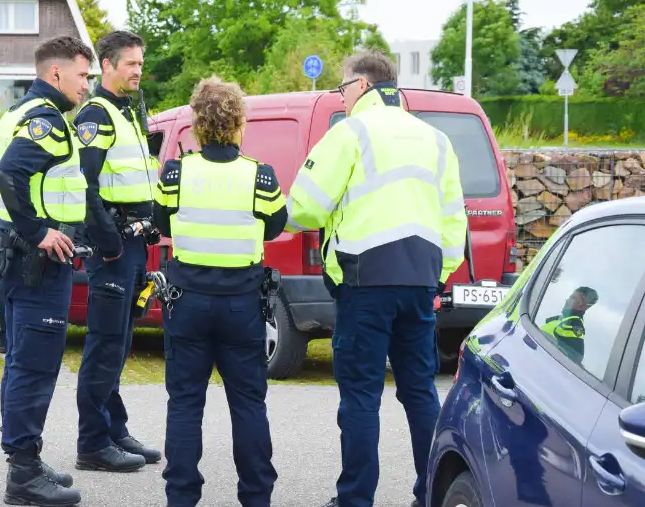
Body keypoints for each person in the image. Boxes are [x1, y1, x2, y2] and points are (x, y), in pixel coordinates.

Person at [283, 49, 467, 507]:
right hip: (421, 284)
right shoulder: (436, 139)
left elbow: (305, 206)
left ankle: (355, 500)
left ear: (362, 85)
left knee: (361, 398)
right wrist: (435, 278)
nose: (340, 97)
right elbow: (453, 223)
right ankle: (431, 495)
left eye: (342, 88)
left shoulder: (351, 133)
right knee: (421, 393)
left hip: (364, 284)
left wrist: (267, 218)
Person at [152, 77, 286, 507]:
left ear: (197, 123)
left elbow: (162, 222)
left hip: (187, 302)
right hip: (241, 306)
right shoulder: (260, 177)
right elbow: (276, 226)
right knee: (248, 404)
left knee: (186, 403)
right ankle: (256, 497)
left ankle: (182, 497)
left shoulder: (176, 172)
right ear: (238, 123)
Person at [0, 35, 92, 506]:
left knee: (20, 365)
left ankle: (25, 458)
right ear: (56, 74)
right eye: (82, 75)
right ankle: (23, 476)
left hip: (17, 262)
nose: (86, 86)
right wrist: (36, 233)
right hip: (38, 265)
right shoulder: (47, 121)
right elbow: (8, 174)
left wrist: (9, 228)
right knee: (33, 368)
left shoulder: (13, 114)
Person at [72, 30, 161, 472]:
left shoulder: (128, 112)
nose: (138, 70)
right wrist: (107, 244)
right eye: (131, 63)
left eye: (141, 63)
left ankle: (114, 429)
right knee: (105, 344)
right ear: (107, 65)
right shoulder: (97, 114)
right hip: (113, 248)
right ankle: (92, 443)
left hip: (133, 244)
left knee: (120, 342)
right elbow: (84, 185)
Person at [542, 286, 598, 363]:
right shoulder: (564, 318)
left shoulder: (573, 324)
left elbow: (574, 356)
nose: (567, 300)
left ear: (581, 306)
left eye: (572, 298)